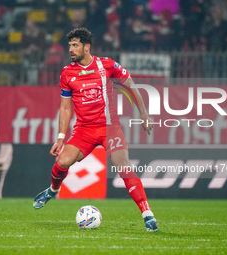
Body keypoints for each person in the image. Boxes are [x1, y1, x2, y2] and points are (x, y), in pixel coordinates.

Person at [33, 27, 158, 232]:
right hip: (84, 130)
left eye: (75, 45)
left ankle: (148, 215)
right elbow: (65, 108)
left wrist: (144, 114)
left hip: (110, 128)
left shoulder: (106, 65)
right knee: (62, 161)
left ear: (87, 46)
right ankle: (53, 189)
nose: (71, 49)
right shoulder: (67, 73)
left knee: (124, 167)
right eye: (70, 45)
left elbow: (131, 86)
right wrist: (60, 138)